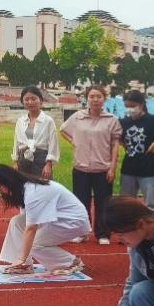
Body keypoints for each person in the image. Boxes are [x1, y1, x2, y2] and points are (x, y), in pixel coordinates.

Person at [0, 165, 90, 276]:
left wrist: (21, 258)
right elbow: (27, 222)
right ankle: (24, 265)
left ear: (8, 182)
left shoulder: (32, 192)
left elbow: (31, 229)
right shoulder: (25, 188)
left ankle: (71, 262)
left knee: (34, 244)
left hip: (73, 221)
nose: (1, 192)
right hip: (57, 217)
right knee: (16, 222)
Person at [60, 84, 121, 245]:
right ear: (86, 98)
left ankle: (102, 234)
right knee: (81, 203)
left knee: (103, 203)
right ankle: (81, 233)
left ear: (104, 99)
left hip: (103, 168)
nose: (95, 99)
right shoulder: (77, 117)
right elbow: (63, 130)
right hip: (81, 167)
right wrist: (74, 142)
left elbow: (115, 144)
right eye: (92, 96)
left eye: (98, 96)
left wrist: (112, 168)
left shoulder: (111, 120)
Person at [118, 89, 154, 211]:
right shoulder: (123, 122)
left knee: (151, 204)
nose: (130, 109)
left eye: (133, 106)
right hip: (128, 168)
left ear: (141, 104)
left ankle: (151, 222)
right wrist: (123, 145)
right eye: (127, 106)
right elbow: (116, 137)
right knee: (126, 203)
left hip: (149, 169)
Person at [11, 85, 59, 180]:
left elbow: (53, 143)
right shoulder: (20, 121)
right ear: (22, 102)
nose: (30, 102)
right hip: (23, 160)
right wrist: (15, 161)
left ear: (41, 100)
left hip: (41, 160)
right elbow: (16, 142)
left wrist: (49, 164)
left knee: (41, 186)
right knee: (23, 186)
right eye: (26, 99)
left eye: (33, 99)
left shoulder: (48, 121)